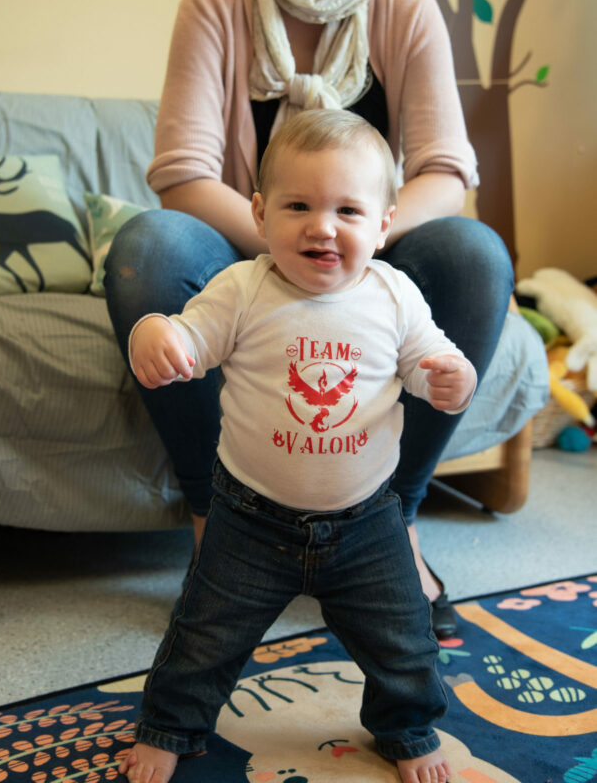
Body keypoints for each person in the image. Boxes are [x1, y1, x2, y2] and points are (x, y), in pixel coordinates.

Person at [105, 0, 514, 638]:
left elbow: (446, 169)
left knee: (477, 255)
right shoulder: (216, 0)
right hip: (240, 247)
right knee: (149, 249)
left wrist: (349, 239)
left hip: (364, 250)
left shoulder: (404, 8)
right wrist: (279, 240)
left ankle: (390, 521)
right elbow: (181, 174)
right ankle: (219, 521)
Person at [120, 109, 476, 783]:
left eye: (348, 209)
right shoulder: (242, 289)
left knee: (405, 643)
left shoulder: (395, 294)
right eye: (299, 205)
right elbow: (187, 342)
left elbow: (433, 358)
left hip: (370, 520)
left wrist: (452, 379)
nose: (322, 226)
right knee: (203, 638)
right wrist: (154, 335)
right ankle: (170, 725)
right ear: (260, 214)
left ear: (382, 223)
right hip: (248, 518)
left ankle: (407, 728)